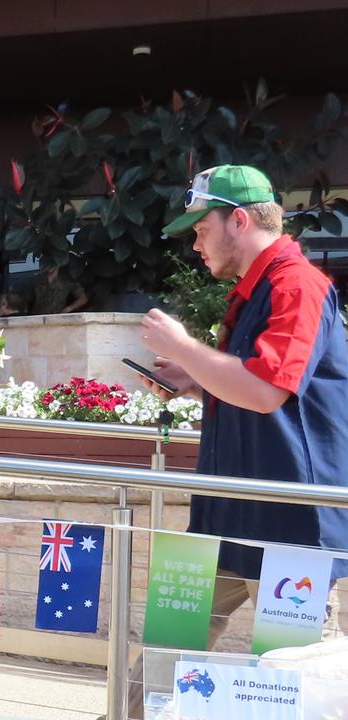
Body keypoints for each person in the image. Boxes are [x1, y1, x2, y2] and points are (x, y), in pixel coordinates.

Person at [129, 164, 347, 717]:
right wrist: (189, 377)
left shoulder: (298, 284)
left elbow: (266, 392)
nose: (195, 243)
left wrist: (183, 349)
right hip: (224, 517)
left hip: (287, 529)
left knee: (290, 685)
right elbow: (247, 380)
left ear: (239, 220)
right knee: (159, 665)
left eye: (201, 229)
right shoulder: (256, 289)